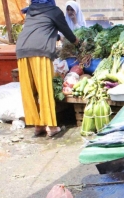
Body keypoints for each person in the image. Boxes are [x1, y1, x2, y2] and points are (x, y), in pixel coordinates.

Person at [16, 0, 79, 137]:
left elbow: (39, 29)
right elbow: (67, 31)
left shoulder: (32, 10)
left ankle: (38, 125)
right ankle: (51, 126)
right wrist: (78, 42)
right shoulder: (55, 12)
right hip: (40, 51)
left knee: (30, 90)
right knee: (44, 88)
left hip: (22, 50)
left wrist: (55, 37)